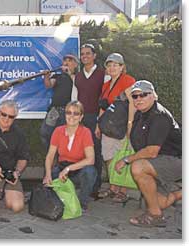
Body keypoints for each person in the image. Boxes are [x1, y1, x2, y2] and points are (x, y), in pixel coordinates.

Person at [115, 80, 182, 227]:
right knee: (159, 202)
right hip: (158, 161)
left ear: (153, 96)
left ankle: (155, 216)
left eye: (143, 95)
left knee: (138, 167)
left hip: (177, 160)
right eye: (135, 96)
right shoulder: (141, 114)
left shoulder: (159, 115)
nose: (138, 99)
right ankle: (181, 192)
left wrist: (126, 160)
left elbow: (152, 151)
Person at [43, 101, 97, 211]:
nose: (72, 116)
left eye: (76, 113)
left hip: (78, 170)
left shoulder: (85, 132)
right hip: (62, 168)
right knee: (49, 178)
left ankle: (82, 202)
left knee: (90, 171)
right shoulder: (58, 131)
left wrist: (69, 169)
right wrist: (47, 175)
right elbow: (50, 156)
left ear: (81, 117)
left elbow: (91, 159)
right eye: (69, 112)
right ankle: (61, 197)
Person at [96, 53, 136, 202]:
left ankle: (123, 190)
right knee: (108, 156)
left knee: (123, 155)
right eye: (109, 64)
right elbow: (103, 106)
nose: (112, 67)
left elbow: (133, 103)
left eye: (115, 65)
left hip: (123, 126)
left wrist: (130, 124)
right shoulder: (106, 85)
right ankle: (113, 186)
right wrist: (98, 125)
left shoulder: (128, 80)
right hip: (108, 127)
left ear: (122, 67)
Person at [75, 43, 105, 196]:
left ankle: (95, 187)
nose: (85, 56)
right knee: (80, 151)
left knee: (96, 151)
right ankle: (83, 184)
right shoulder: (79, 76)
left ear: (94, 56)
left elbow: (106, 98)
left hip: (95, 118)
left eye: (88, 53)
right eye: (82, 54)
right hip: (80, 118)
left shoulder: (102, 74)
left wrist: (99, 122)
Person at [40, 54, 79, 150]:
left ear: (75, 64)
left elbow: (78, 87)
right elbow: (49, 85)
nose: (66, 62)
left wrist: (69, 74)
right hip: (55, 110)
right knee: (45, 133)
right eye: (65, 60)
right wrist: (46, 77)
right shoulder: (58, 76)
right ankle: (52, 155)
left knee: (65, 137)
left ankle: (61, 159)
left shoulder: (78, 77)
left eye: (70, 60)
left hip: (68, 112)